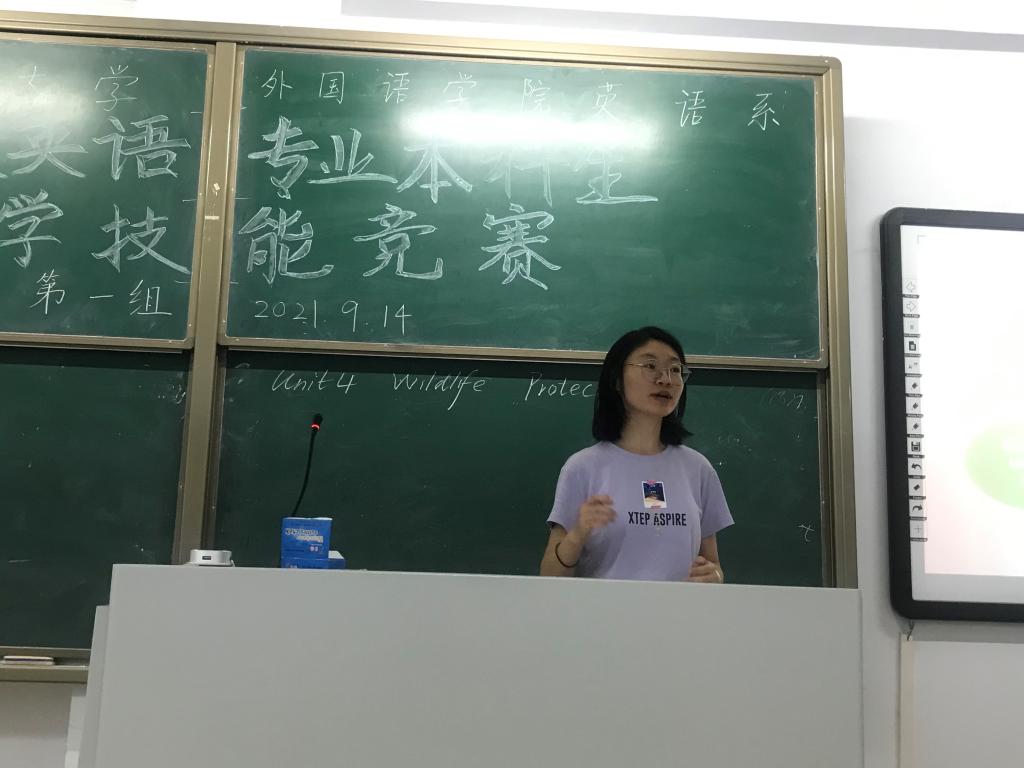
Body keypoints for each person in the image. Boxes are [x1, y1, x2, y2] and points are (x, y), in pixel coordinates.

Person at [539, 326, 733, 582]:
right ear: (617, 379)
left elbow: (713, 566)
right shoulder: (583, 467)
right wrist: (577, 534)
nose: (665, 379)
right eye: (650, 366)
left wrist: (715, 576)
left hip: (679, 608)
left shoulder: (697, 469)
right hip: (605, 607)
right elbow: (549, 577)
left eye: (675, 369)